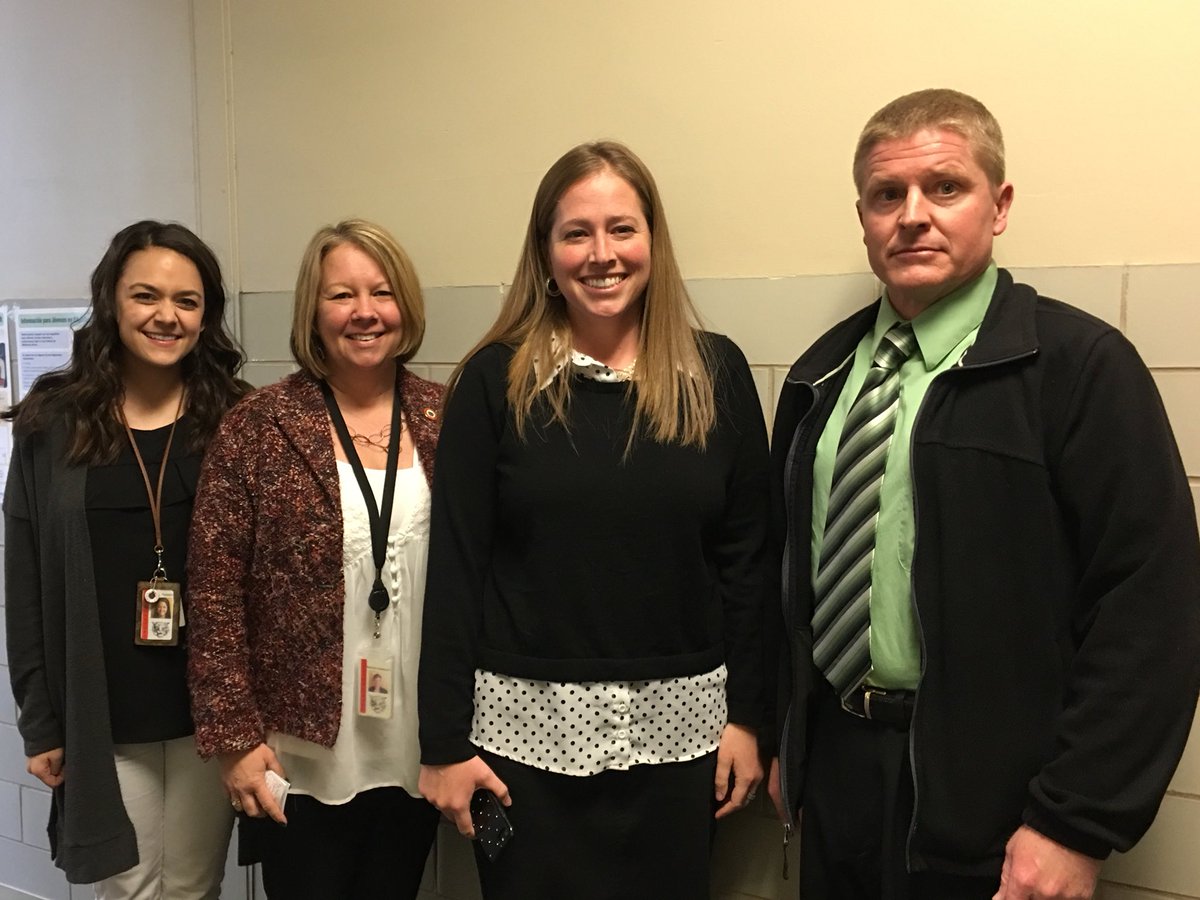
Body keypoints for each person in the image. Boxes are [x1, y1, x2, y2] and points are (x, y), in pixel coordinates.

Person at [767, 88, 1200, 899]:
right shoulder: (820, 375)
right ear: (862, 215)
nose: (913, 215)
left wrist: (1076, 820)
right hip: (839, 782)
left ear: (998, 206)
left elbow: (1152, 608)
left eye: (945, 187)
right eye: (886, 195)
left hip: (998, 810)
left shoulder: (1077, 369)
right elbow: (783, 578)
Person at [418, 140, 770, 900]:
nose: (601, 253)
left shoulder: (716, 376)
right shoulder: (493, 384)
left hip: (684, 746)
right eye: (576, 232)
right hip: (520, 752)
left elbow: (747, 564)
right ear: (546, 254)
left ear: (653, 243)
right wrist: (442, 745)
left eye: (622, 229)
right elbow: (454, 571)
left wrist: (750, 719)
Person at [186, 219, 443, 898]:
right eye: (341, 295)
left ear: (405, 306)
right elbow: (213, 594)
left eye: (381, 292)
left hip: (419, 738)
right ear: (313, 310)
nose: (364, 312)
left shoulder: (448, 417)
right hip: (299, 748)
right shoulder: (258, 427)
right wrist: (235, 739)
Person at [3, 220, 248, 896]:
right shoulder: (51, 424)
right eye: (146, 295)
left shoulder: (238, 420)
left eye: (187, 301)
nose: (165, 316)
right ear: (111, 300)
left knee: (195, 885)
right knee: (129, 888)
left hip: (208, 713)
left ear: (207, 317)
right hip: (100, 714)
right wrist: (39, 721)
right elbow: (22, 583)